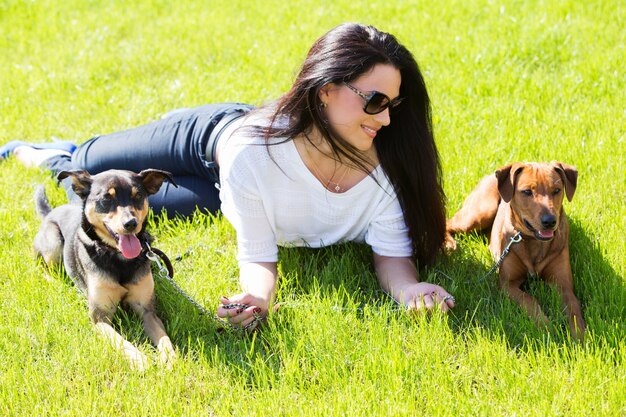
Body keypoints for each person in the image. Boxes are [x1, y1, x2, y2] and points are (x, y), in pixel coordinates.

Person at [4, 22, 455, 330]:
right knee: (87, 171)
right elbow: (260, 253)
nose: (388, 119)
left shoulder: (388, 172)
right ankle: (58, 151)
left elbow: (391, 257)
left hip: (229, 190)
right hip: (215, 138)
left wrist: (411, 289)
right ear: (327, 91)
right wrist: (259, 292)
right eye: (375, 101)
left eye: (393, 105)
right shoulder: (257, 154)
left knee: (133, 209)